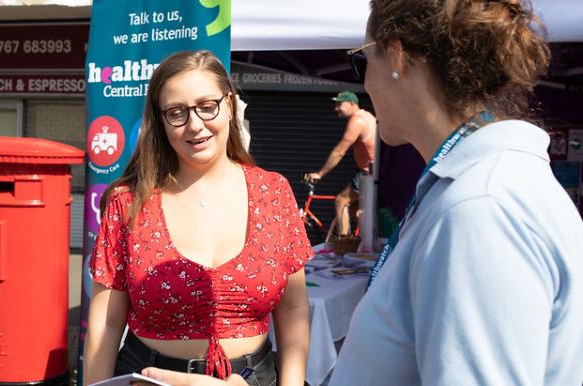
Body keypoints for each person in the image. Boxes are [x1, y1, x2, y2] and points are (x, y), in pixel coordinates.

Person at [137, 0, 583, 385]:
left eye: (360, 61)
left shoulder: (481, 209)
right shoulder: (478, 189)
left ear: (397, 57)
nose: (365, 84)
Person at [83, 50, 313, 386]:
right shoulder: (128, 202)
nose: (194, 124)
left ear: (230, 104)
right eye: (176, 112)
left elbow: (293, 310)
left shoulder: (273, 192)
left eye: (207, 106)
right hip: (148, 378)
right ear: (160, 120)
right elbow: (105, 325)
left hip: (253, 378)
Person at [304, 90, 377, 237]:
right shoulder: (367, 116)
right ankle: (364, 240)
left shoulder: (357, 121)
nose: (336, 108)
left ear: (351, 104)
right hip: (373, 171)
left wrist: (320, 173)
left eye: (339, 104)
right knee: (354, 211)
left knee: (341, 201)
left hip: (367, 172)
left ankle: (343, 245)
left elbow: (340, 151)